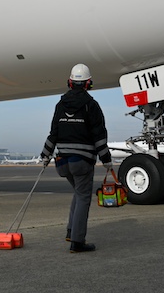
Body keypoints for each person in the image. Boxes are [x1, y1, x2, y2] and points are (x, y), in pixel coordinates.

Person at [40, 63, 113, 253]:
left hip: (62, 162)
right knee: (83, 197)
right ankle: (77, 242)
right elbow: (99, 135)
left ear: (70, 82)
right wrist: (106, 159)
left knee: (79, 193)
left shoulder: (60, 105)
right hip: (81, 162)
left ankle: (71, 231)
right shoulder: (91, 105)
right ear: (88, 83)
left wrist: (45, 155)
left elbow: (53, 133)